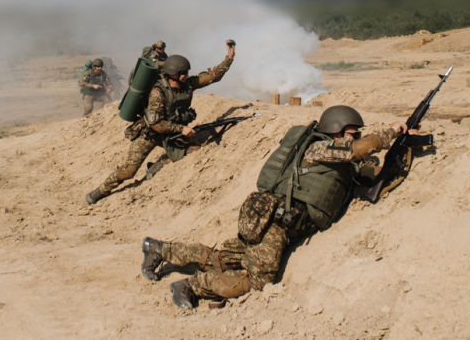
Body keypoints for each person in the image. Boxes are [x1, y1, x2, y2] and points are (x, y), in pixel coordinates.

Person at [139, 106, 414, 309]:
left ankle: (159, 249)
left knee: (222, 259)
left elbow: (360, 169)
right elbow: (357, 150)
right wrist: (392, 131)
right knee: (259, 280)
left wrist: (402, 144)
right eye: (353, 134)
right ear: (337, 131)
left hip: (269, 219)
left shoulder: (333, 158)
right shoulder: (320, 148)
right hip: (275, 225)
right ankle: (190, 286)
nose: (357, 137)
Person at [85, 40, 235, 205]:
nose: (187, 75)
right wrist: (181, 128)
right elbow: (156, 124)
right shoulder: (158, 92)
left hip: (172, 134)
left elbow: (212, 76)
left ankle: (159, 164)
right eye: (183, 73)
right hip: (150, 135)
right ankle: (100, 191)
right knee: (128, 171)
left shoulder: (187, 84)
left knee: (193, 149)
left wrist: (229, 58)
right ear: (173, 74)